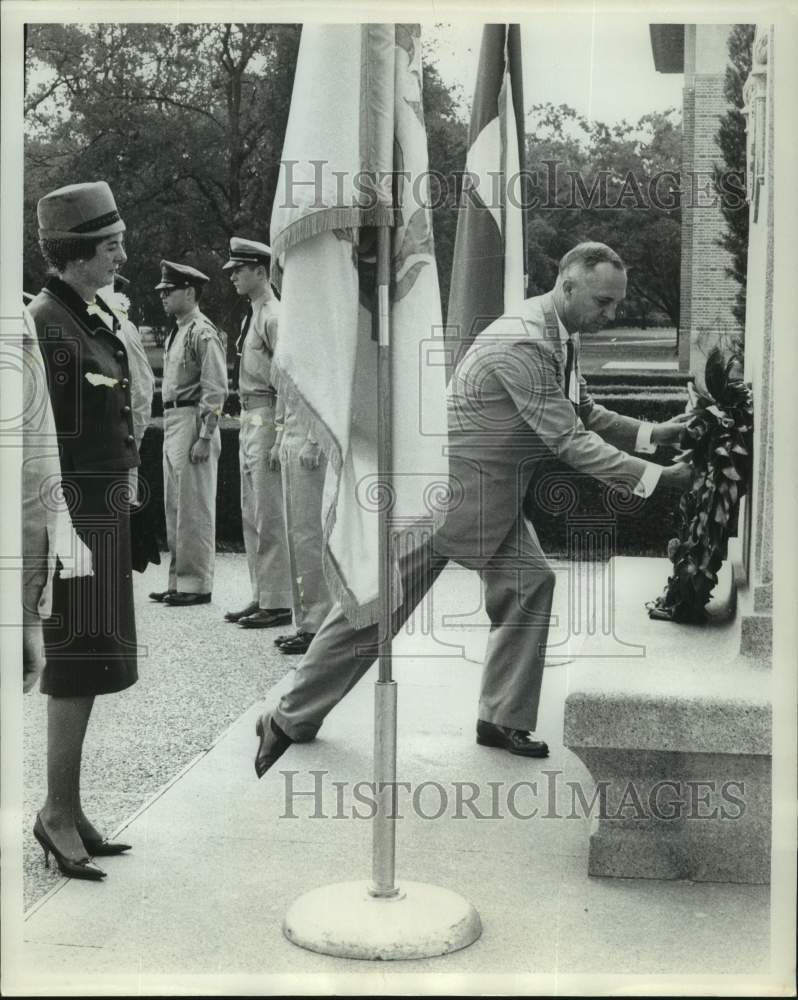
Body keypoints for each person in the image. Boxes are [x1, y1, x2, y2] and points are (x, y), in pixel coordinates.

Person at [254, 242, 693, 777]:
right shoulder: (525, 342)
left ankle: (500, 716)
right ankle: (285, 716)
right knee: (371, 611)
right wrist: (659, 480)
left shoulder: (557, 332)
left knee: (531, 582)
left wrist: (654, 435)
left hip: (490, 495)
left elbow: (582, 409)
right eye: (604, 302)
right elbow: (569, 439)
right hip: (446, 497)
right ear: (568, 285)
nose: (612, 314)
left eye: (616, 304)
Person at [28, 180, 139, 879]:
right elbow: (38, 444)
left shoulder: (87, 315)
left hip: (104, 516)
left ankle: (67, 805)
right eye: (111, 246)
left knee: (96, 663)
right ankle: (56, 814)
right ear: (75, 255)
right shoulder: (46, 326)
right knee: (73, 667)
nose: (122, 255)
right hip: (74, 522)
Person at [221, 238, 292, 629]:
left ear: (260, 271)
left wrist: (281, 430)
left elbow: (284, 378)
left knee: (269, 513)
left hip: (266, 415)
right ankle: (262, 594)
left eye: (239, 269)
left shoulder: (273, 317)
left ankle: (279, 600)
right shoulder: (255, 314)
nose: (233, 276)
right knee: (252, 513)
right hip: (249, 416)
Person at [149, 261, 227, 607]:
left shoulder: (202, 331)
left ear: (190, 293)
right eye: (163, 291)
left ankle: (196, 584)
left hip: (192, 419)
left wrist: (206, 435)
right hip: (174, 420)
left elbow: (215, 387)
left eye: (170, 290)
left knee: (193, 507)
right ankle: (180, 580)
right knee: (176, 506)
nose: (163, 296)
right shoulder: (180, 330)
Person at [274, 389, 332, 655]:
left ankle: (319, 623)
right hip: (292, 432)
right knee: (296, 532)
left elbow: (327, 388)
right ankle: (306, 621)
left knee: (309, 533)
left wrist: (314, 440)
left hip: (309, 438)